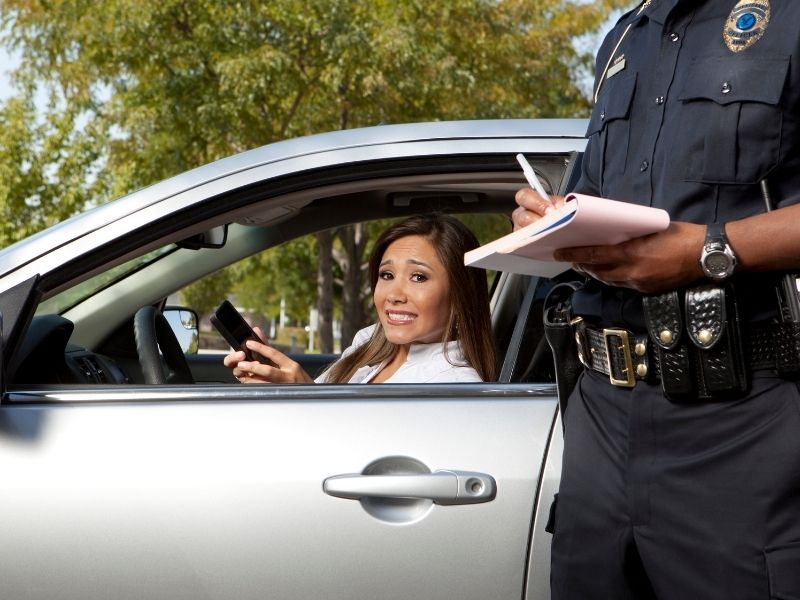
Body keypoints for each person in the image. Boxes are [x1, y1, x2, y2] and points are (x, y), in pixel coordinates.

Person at [513, 1, 800, 598]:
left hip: (741, 422)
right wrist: (548, 220)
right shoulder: (626, 34)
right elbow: (594, 198)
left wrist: (712, 250)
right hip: (600, 418)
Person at [224, 213, 497, 384]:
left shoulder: (455, 387)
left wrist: (304, 396)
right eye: (387, 275)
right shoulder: (368, 343)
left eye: (418, 277)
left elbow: (376, 466)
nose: (394, 295)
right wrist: (275, 379)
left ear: (460, 293)